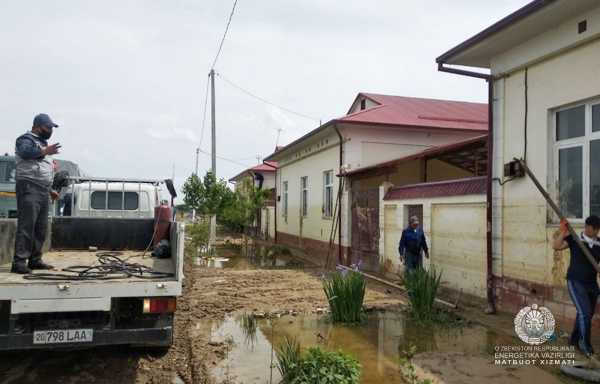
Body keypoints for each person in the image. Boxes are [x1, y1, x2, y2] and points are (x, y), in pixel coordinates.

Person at [11, 113, 61, 274]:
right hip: (29, 187)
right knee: (27, 226)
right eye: (47, 127)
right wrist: (45, 150)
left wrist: (50, 189)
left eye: (51, 128)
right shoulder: (25, 139)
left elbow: (41, 170)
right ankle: (19, 262)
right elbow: (25, 153)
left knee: (40, 228)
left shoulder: (41, 143)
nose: (50, 131)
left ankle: (35, 260)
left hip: (42, 189)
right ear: (36, 126)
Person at [553, 215, 600, 356]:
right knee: (585, 313)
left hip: (591, 284)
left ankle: (573, 341)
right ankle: (587, 348)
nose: (597, 232)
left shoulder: (599, 243)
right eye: (594, 229)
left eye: (598, 229)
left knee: (586, 315)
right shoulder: (575, 239)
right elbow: (556, 246)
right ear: (586, 227)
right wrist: (563, 231)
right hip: (576, 281)